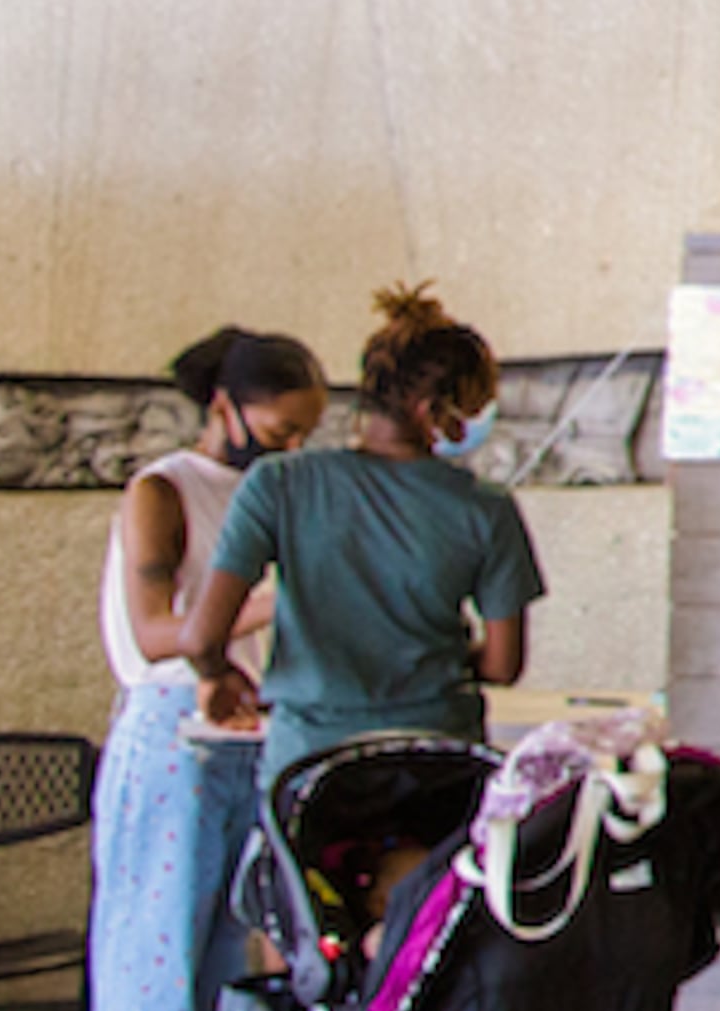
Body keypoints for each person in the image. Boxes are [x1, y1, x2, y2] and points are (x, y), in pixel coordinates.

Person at [65, 327, 327, 1011]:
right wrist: (272, 597)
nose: (292, 442)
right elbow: (157, 627)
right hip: (173, 740)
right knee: (152, 972)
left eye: (307, 430)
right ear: (225, 407)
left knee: (218, 977)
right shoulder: (162, 490)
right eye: (279, 424)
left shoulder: (272, 490)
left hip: (245, 740)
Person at [182, 283, 542, 785]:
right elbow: (503, 665)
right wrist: (422, 663)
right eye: (468, 404)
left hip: (308, 769)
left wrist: (215, 674)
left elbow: (200, 635)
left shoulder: (279, 484)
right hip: (434, 766)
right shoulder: (485, 508)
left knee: (292, 865)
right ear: (428, 408)